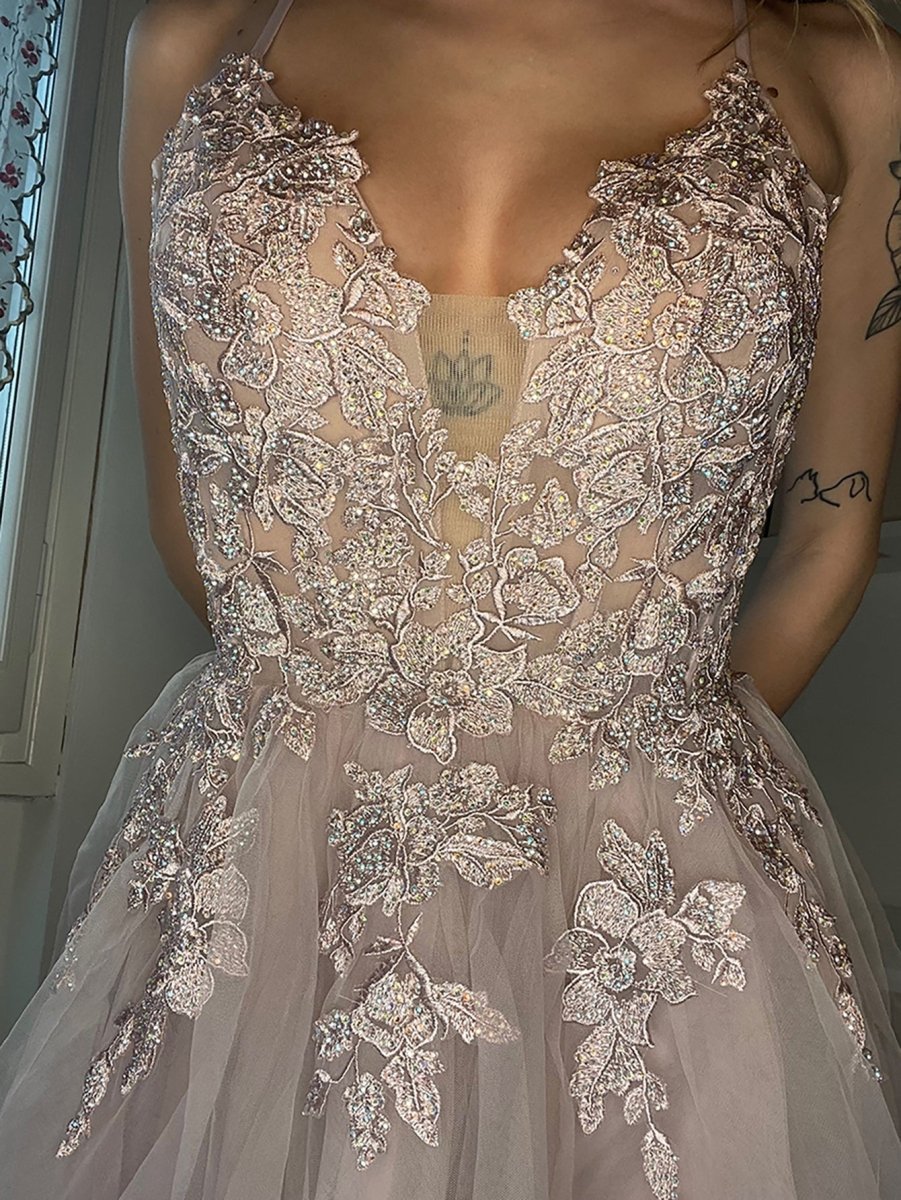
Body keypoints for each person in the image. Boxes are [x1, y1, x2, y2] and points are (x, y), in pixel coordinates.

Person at [1, 0, 900, 1195]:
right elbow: (197, 521)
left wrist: (632, 766)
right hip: (265, 881)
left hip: (651, 908)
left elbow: (829, 543)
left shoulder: (845, 74)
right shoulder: (198, 40)